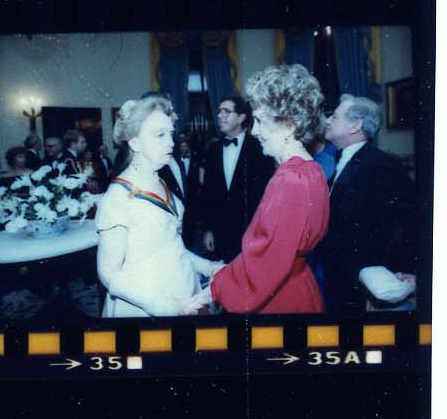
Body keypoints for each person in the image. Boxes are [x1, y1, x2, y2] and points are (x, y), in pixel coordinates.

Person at [204, 64, 328, 313]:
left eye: (260, 121)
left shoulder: (291, 179)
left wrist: (210, 291)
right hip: (293, 286)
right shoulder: (311, 169)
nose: (255, 131)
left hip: (277, 297)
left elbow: (266, 260)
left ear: (290, 125)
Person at [96, 96, 215, 317]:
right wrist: (158, 304)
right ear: (135, 142)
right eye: (160, 135)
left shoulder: (161, 182)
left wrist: (209, 267)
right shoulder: (117, 197)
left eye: (170, 134)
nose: (171, 142)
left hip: (184, 291)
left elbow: (171, 247)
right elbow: (107, 273)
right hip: (144, 305)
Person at [315, 95, 417, 312]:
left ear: (355, 126)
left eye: (335, 116)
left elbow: (409, 219)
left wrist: (409, 269)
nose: (328, 120)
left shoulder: (380, 163)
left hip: (363, 280)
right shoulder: (342, 160)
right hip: (338, 276)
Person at [183, 91, 271, 265]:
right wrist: (208, 230)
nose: (219, 116)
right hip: (220, 233)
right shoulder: (213, 149)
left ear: (241, 118)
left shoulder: (259, 148)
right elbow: (208, 194)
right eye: (219, 111)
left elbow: (264, 195)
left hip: (251, 232)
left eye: (226, 112)